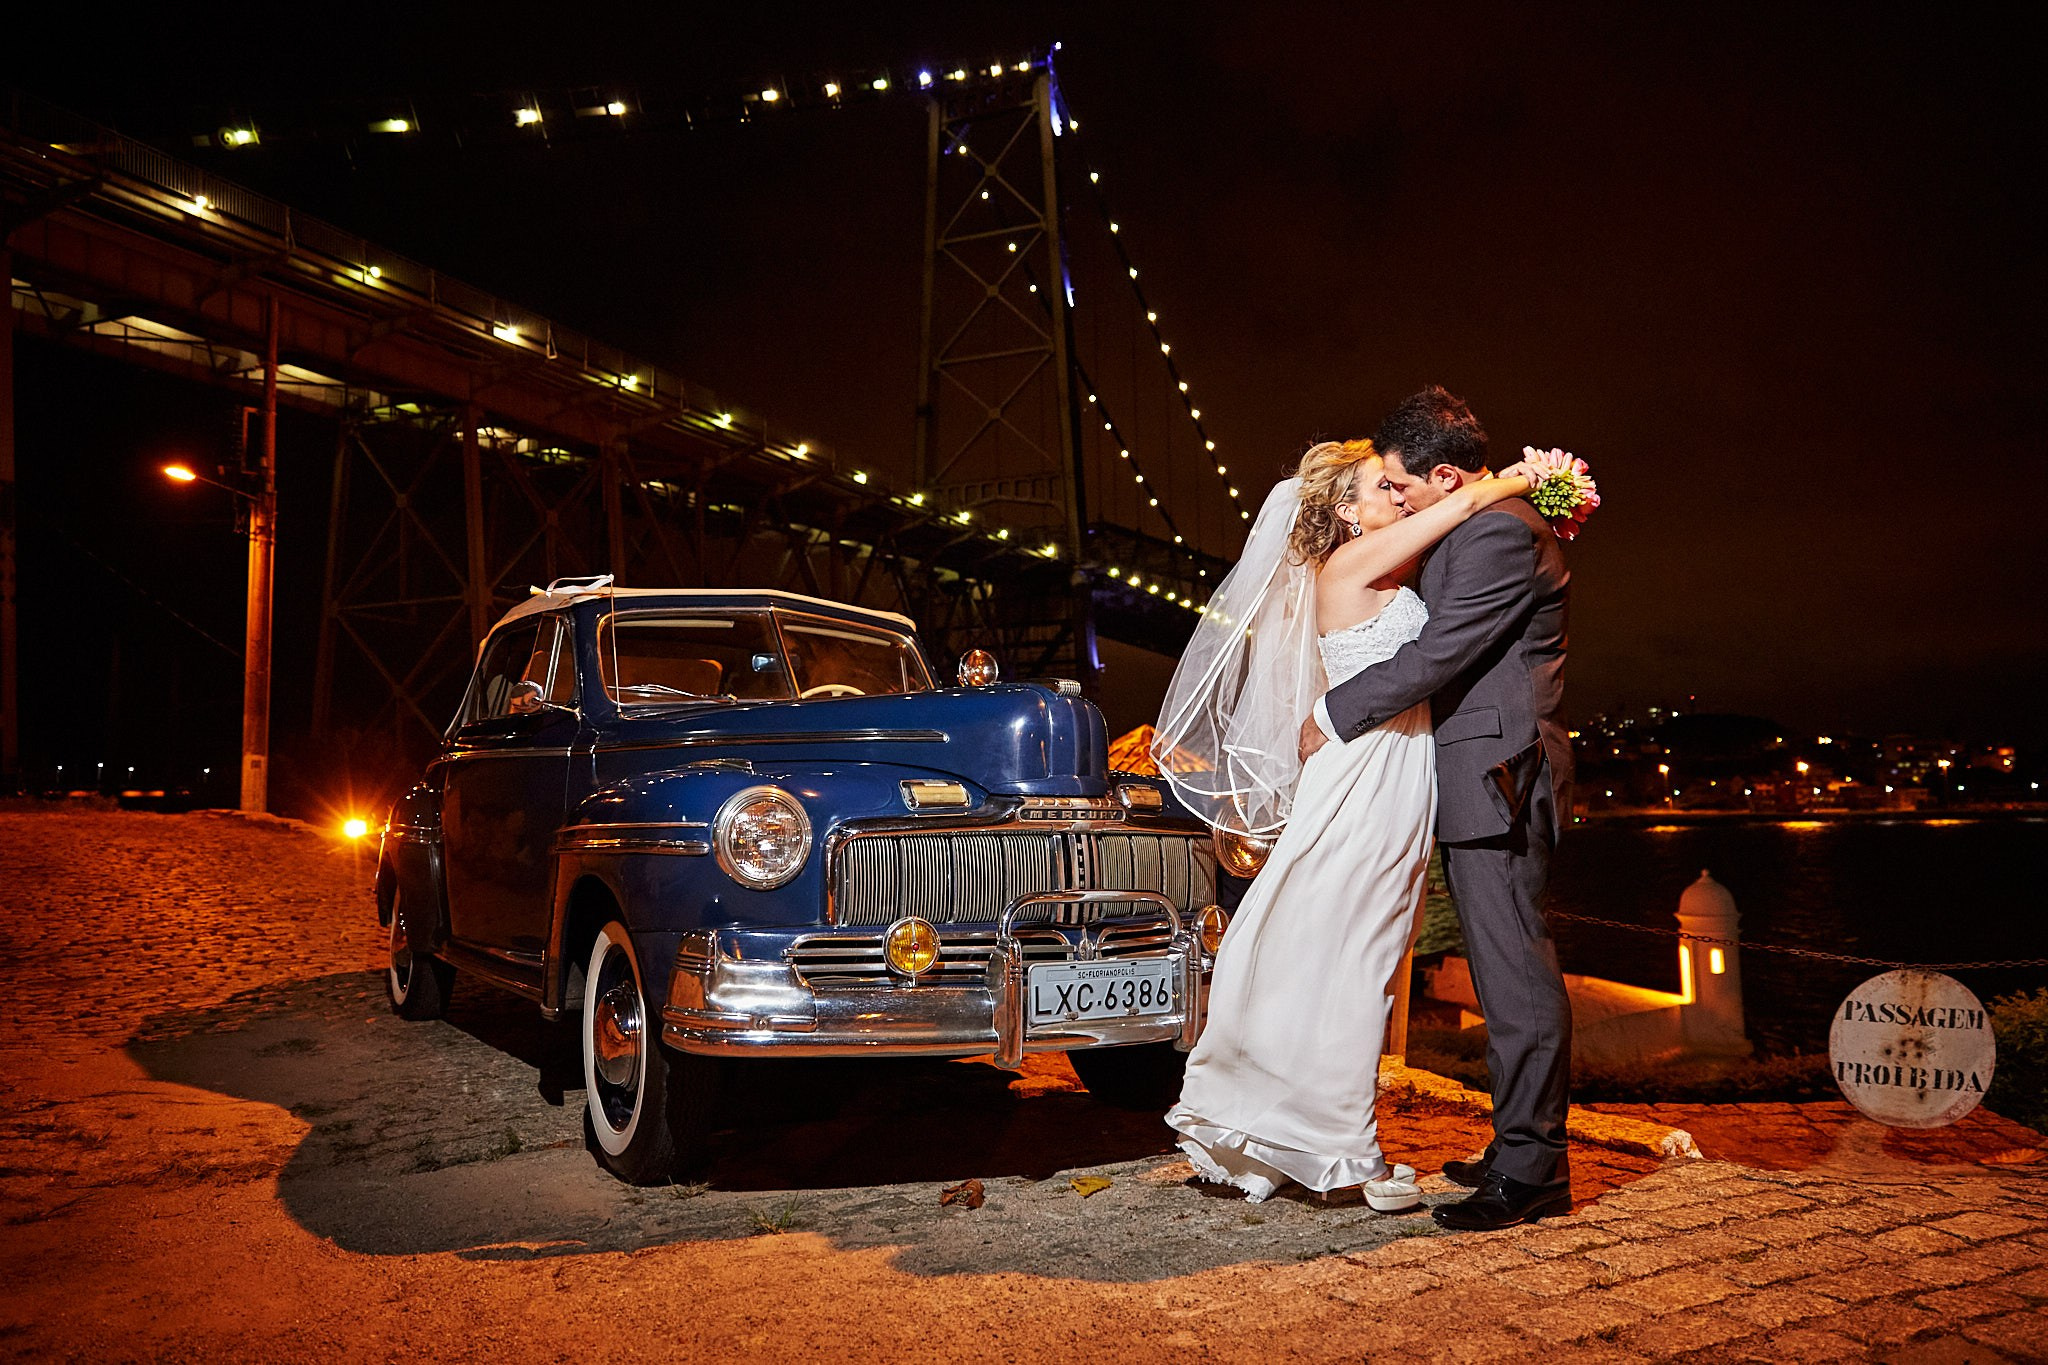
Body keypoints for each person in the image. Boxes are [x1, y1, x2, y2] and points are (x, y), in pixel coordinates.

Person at [1154, 435, 1542, 1209]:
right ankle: (1346, 1153)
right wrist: (1530, 480)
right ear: (1345, 508)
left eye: (1399, 488)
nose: (1399, 496)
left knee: (1349, 950)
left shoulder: (1379, 564)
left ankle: (1281, 1129)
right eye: (1381, 486)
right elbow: (1463, 500)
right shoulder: (1348, 565)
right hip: (1366, 775)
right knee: (1355, 956)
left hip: (1393, 771)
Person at [1300, 386, 1575, 1232]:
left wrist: (1331, 712)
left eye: (1405, 486)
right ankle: (1517, 1148)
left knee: (1515, 975)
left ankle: (1532, 1174)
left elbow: (1440, 649)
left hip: (1499, 770)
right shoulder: (1482, 520)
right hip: (1480, 769)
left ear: (1445, 474)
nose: (1400, 500)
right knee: (1504, 971)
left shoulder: (1493, 529)